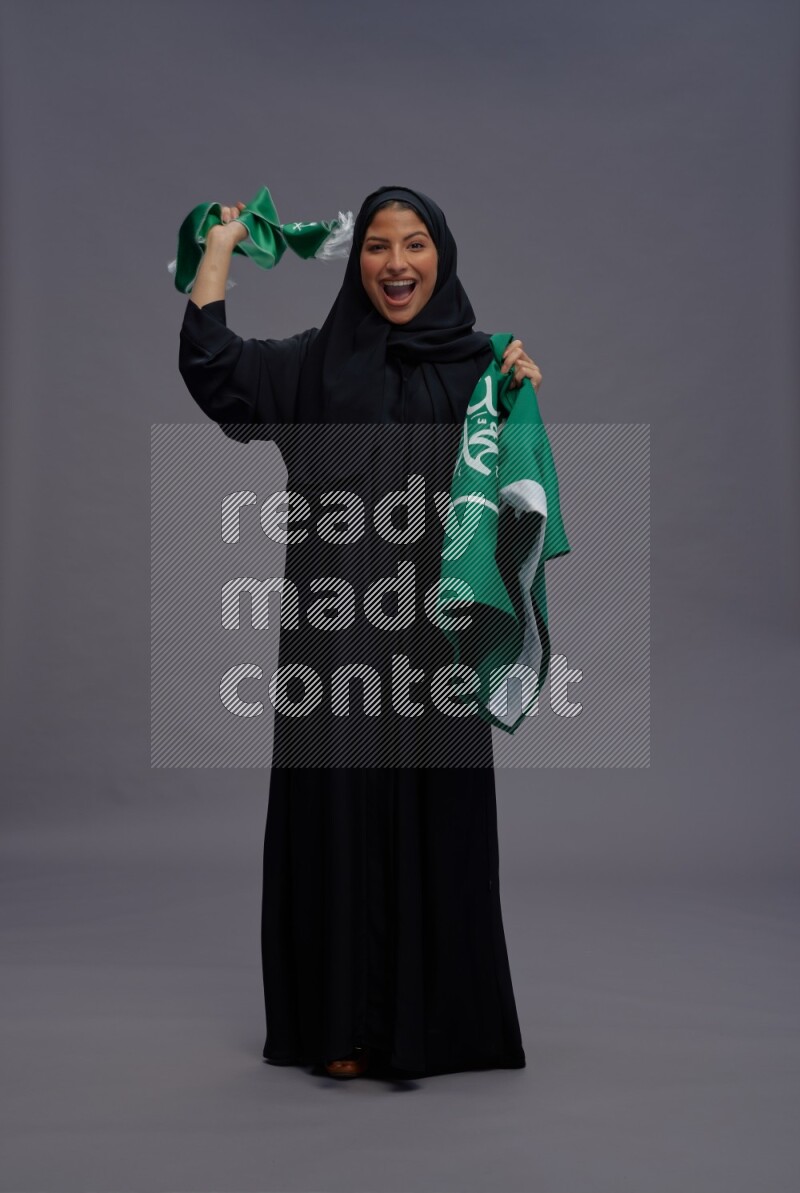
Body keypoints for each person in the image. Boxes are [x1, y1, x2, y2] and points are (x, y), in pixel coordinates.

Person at [178, 185, 545, 1080]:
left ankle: (433, 1026)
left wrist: (522, 394)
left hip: (436, 644)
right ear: (358, 263)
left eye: (414, 244)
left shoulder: (477, 371)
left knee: (436, 816)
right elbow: (215, 367)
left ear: (440, 257)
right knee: (335, 813)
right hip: (336, 641)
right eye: (378, 246)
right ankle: (338, 1027)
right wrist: (220, 249)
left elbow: (514, 496)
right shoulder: (314, 366)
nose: (396, 263)